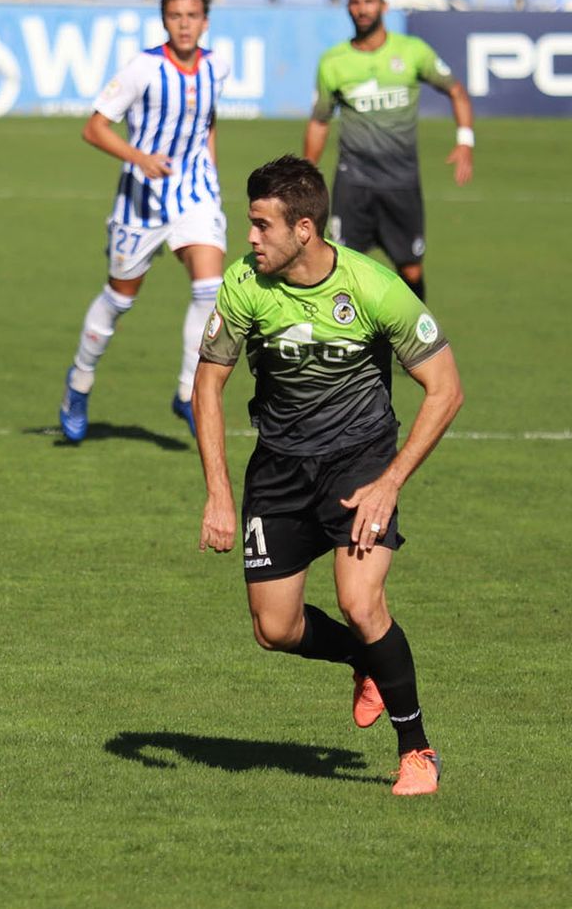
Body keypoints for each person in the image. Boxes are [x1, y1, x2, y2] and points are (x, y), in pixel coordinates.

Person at [192, 155, 464, 797]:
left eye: (262, 225)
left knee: (360, 602)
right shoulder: (243, 286)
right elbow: (208, 388)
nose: (250, 238)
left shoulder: (373, 288)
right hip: (280, 470)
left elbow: (445, 388)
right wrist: (218, 495)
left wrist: (390, 481)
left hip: (360, 465)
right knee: (275, 630)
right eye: (248, 224)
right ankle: (361, 661)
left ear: (305, 228)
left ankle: (417, 752)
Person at [58, 0, 229, 443]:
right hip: (142, 198)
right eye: (176, 16)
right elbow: (95, 128)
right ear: (165, 21)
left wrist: (210, 175)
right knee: (120, 298)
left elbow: (207, 120)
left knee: (210, 288)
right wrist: (141, 158)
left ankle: (187, 392)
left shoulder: (218, 66)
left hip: (194, 193)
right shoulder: (143, 69)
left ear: (205, 21)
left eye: (192, 16)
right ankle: (79, 382)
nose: (185, 25)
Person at [304, 0, 475, 302]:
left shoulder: (412, 51)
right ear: (348, 8)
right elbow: (320, 121)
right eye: (356, 2)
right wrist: (307, 173)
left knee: (411, 270)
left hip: (401, 181)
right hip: (353, 182)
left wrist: (465, 141)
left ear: (383, 5)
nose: (363, 9)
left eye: (369, 1)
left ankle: (417, 344)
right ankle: (348, 344)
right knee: (339, 269)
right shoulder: (333, 63)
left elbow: (456, 91)